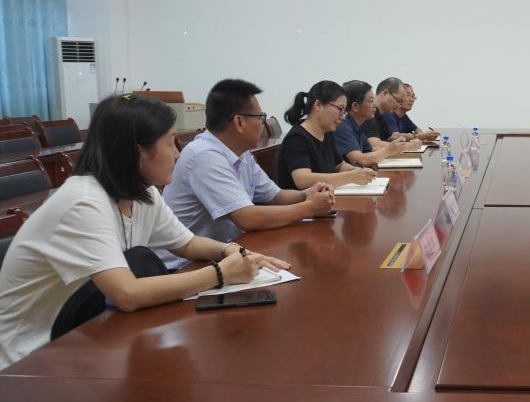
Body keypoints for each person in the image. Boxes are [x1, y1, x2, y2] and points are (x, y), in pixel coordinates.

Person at [0, 93, 288, 368]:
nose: (178, 153)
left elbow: (187, 243)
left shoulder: (142, 192)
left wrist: (235, 252)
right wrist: (221, 273)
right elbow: (127, 294)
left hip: (79, 335)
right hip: (26, 359)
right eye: (170, 143)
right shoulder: (83, 202)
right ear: (137, 152)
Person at [161, 79, 334, 269]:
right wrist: (310, 208)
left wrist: (307, 195)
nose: (262, 123)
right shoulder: (204, 155)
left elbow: (275, 196)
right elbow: (248, 218)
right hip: (185, 266)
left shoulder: (241, 153)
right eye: (260, 117)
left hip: (226, 252)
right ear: (239, 122)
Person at [277, 80, 376, 190]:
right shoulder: (297, 138)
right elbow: (303, 180)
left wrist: (360, 172)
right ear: (318, 105)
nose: (343, 117)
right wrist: (351, 176)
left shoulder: (327, 133)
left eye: (344, 112)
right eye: (340, 109)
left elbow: (340, 166)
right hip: (303, 200)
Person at [333, 80, 410, 167]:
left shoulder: (357, 126)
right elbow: (359, 160)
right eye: (370, 101)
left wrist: (393, 148)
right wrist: (388, 150)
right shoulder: (342, 126)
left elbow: (370, 150)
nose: (374, 105)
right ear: (355, 106)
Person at [362, 77, 423, 150]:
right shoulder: (369, 113)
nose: (399, 106)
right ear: (385, 93)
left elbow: (390, 137)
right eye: (398, 100)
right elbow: (374, 144)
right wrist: (408, 145)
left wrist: (399, 138)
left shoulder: (380, 115)